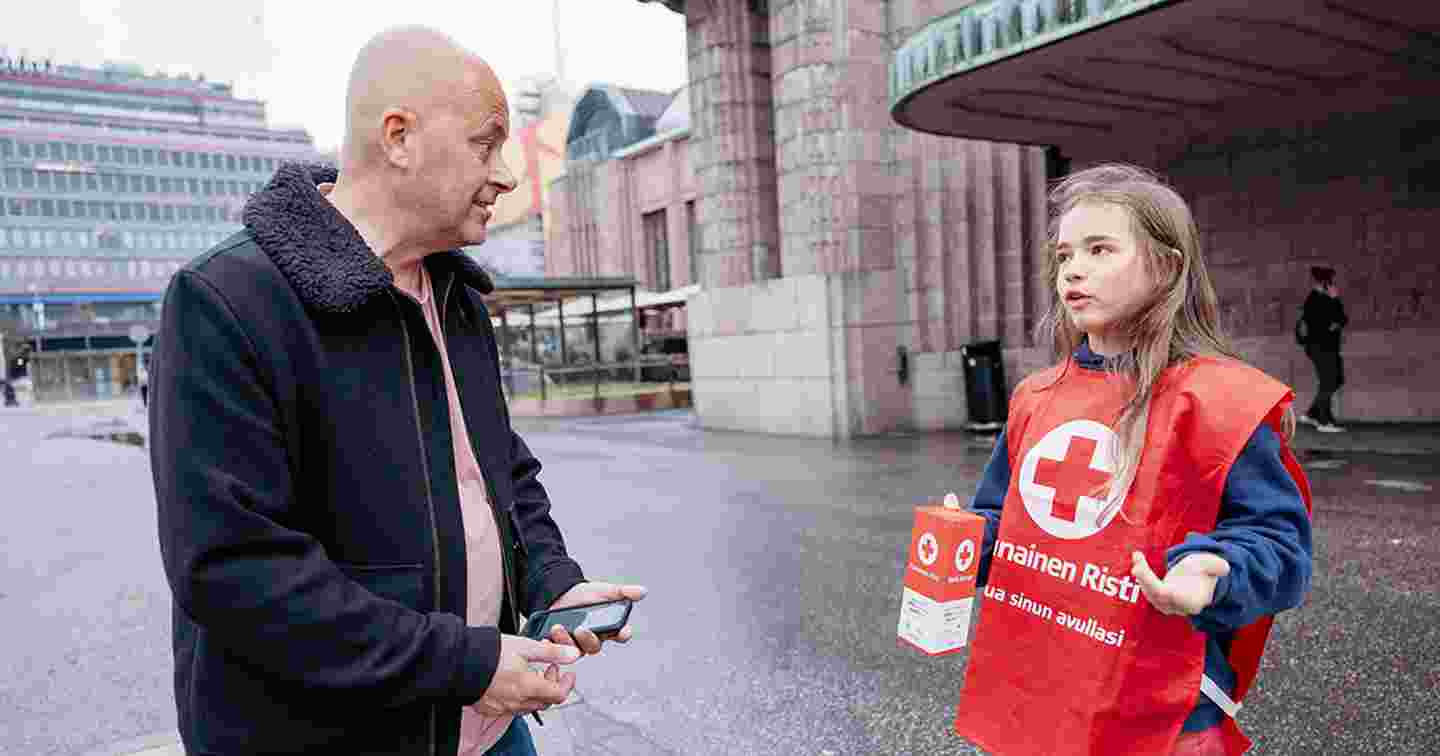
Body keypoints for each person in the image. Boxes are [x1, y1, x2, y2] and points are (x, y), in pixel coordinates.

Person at [149, 26, 646, 756]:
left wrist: (552, 587)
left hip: (478, 721)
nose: (506, 174)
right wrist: (468, 662)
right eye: (487, 144)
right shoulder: (224, 302)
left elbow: (499, 476)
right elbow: (235, 573)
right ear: (399, 136)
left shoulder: (455, 295)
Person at [952, 164, 1313, 756]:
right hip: (1040, 696)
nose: (1073, 268)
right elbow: (1006, 525)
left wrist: (1213, 568)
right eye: (1065, 253)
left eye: (1100, 249)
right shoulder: (1035, 397)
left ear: (1167, 267)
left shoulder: (1222, 402)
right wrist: (966, 541)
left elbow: (1279, 546)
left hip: (1165, 716)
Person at [1298, 266, 1347, 432]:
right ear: (1325, 282)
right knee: (1328, 381)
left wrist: (1335, 303)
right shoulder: (1315, 300)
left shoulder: (1323, 299)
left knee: (1336, 379)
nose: (1333, 285)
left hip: (1327, 347)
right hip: (1320, 347)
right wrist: (1335, 301)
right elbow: (1335, 320)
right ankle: (1323, 421)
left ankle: (1312, 414)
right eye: (1330, 281)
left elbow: (1341, 320)